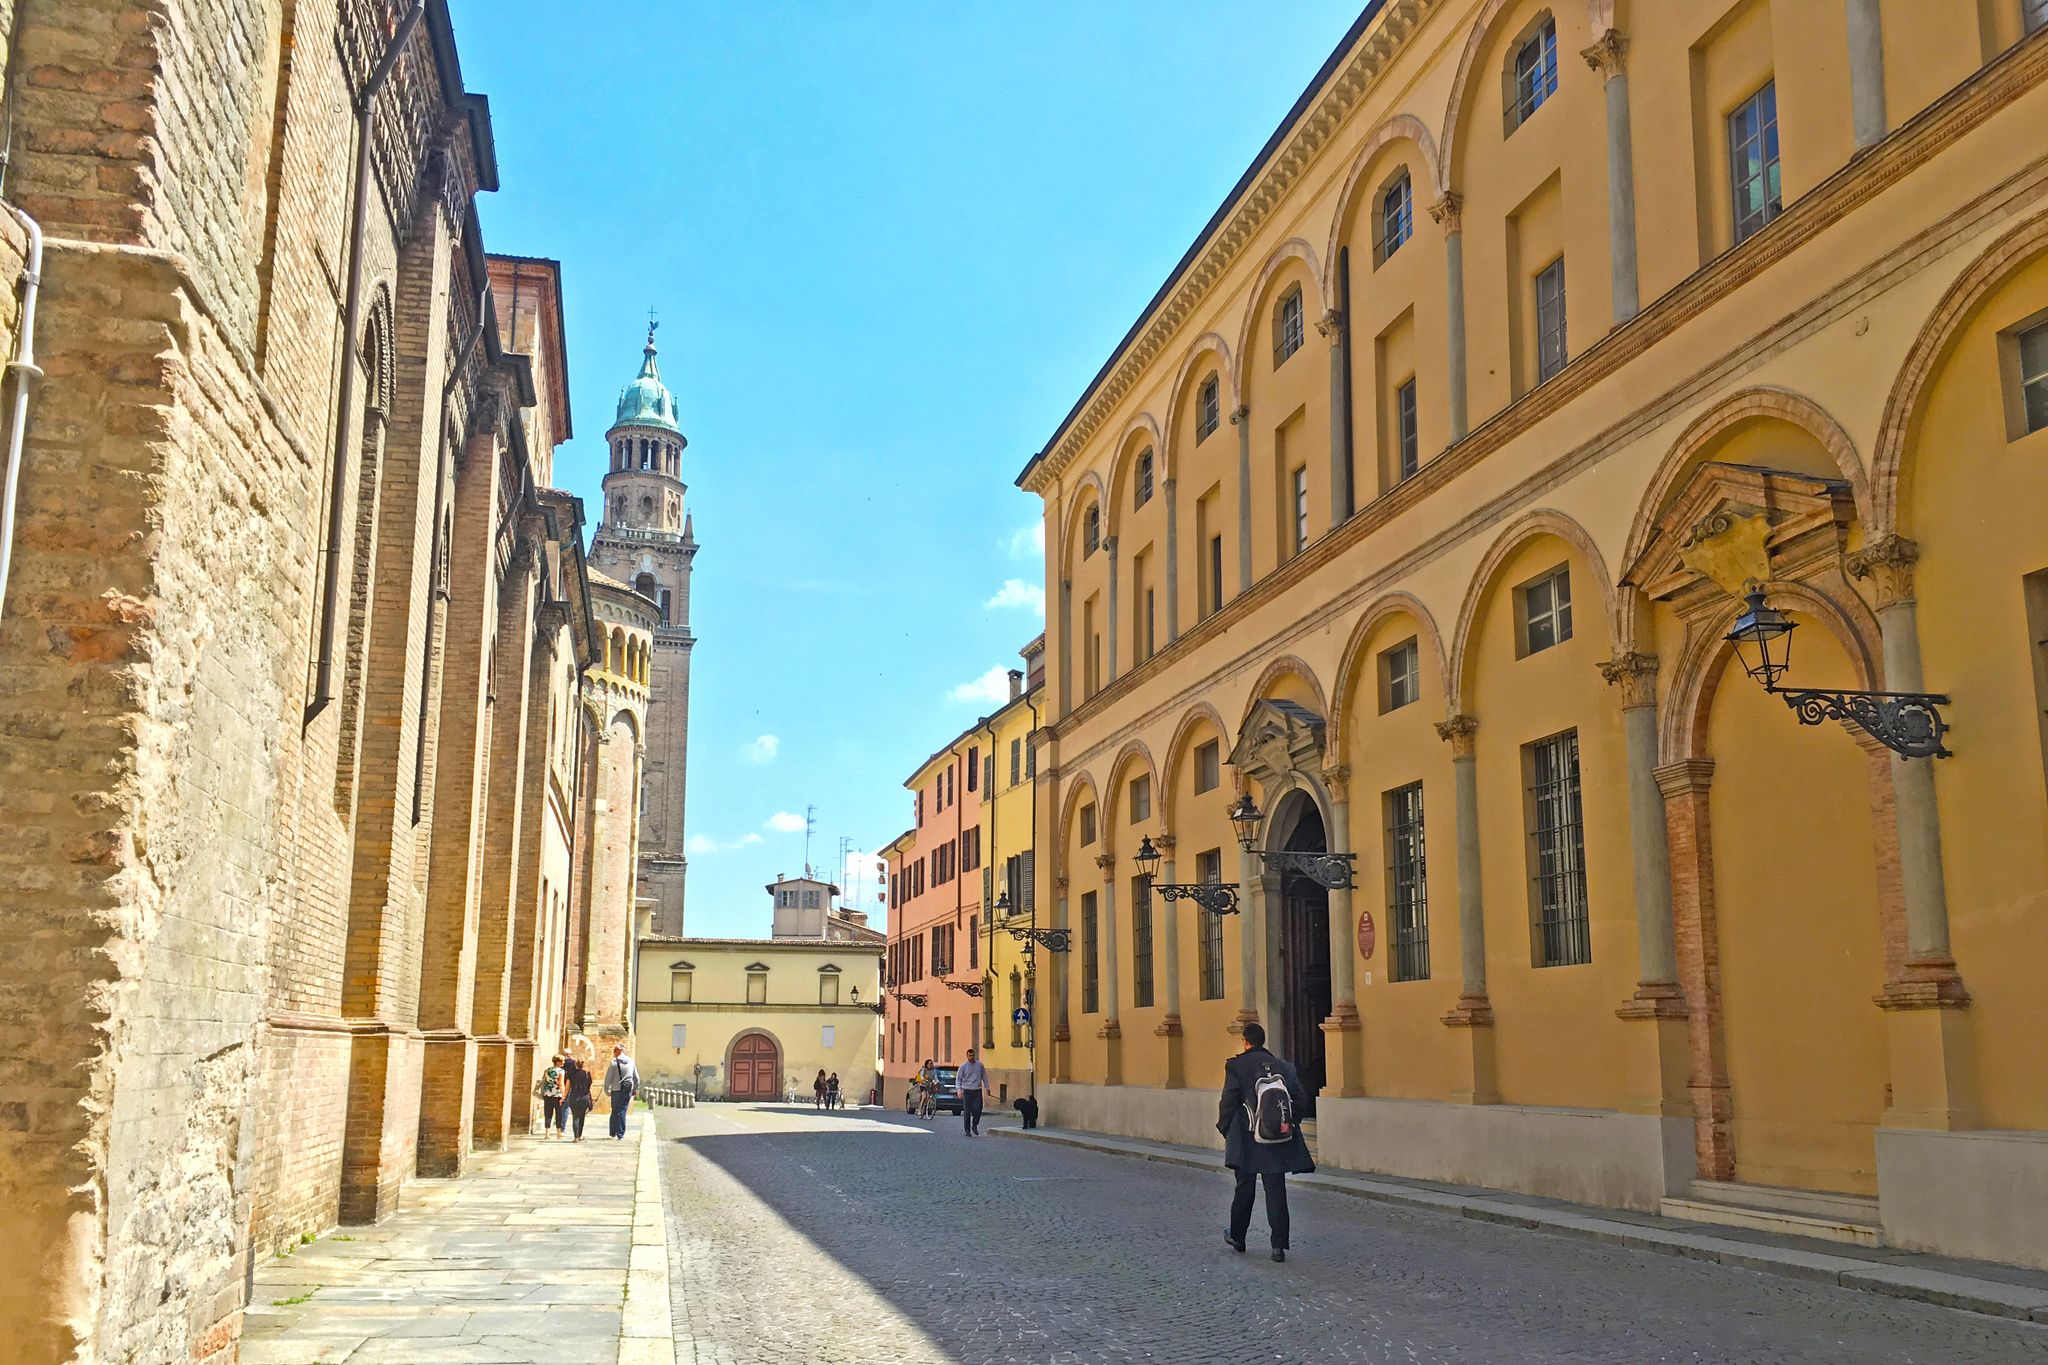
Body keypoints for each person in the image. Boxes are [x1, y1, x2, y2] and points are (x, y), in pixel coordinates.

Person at [1217, 1021, 1313, 1263]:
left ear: (1245, 1041)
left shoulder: (1237, 1066)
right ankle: (1278, 1247)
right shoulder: (1284, 1067)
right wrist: (1289, 1123)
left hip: (1246, 1137)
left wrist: (1225, 1127)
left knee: (1244, 1187)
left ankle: (1238, 1237)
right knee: (1276, 1190)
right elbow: (1300, 1100)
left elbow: (1228, 1101)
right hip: (1276, 1138)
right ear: (1263, 1040)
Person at [603, 1045, 640, 1140]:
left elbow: (608, 1078)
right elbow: (636, 1078)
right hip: (627, 1089)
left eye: (614, 1051)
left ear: (616, 1051)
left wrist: (606, 1089)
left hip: (616, 1090)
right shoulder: (631, 1062)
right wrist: (635, 1088)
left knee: (615, 1110)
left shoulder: (614, 1063)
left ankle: (612, 1132)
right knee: (622, 1110)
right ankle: (620, 1133)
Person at [955, 1048, 990, 1136]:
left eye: (973, 1055)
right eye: (969, 1055)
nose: (971, 1057)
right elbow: (958, 1079)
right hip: (967, 1090)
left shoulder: (980, 1065)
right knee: (967, 1111)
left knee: (978, 1109)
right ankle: (967, 1130)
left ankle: (974, 1124)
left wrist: (987, 1087)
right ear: (967, 1056)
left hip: (977, 1090)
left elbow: (984, 1076)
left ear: (975, 1055)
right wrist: (959, 1090)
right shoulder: (963, 1066)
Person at [562, 1054, 595, 1142]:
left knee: (575, 1117)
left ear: (576, 1064)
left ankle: (576, 1137)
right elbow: (588, 1088)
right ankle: (579, 1135)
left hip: (574, 1097)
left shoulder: (571, 1074)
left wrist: (563, 1097)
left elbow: (567, 1087)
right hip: (584, 1097)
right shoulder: (587, 1074)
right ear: (583, 1064)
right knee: (582, 1117)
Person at [538, 1054, 566, 1139]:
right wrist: (564, 1095)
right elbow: (561, 1084)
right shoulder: (561, 1071)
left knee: (548, 1114)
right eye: (562, 1061)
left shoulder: (547, 1070)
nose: (563, 1063)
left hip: (547, 1094)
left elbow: (544, 1081)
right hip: (557, 1095)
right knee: (559, 1114)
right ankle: (558, 1133)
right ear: (558, 1062)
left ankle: (547, 1134)